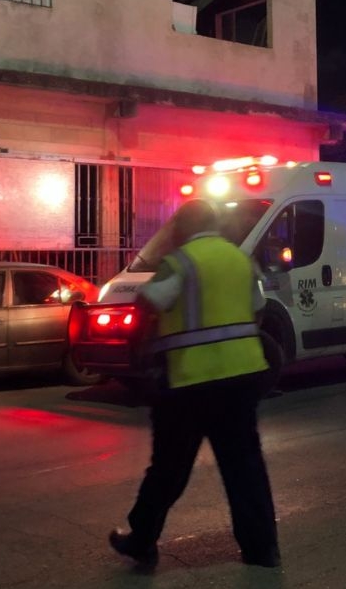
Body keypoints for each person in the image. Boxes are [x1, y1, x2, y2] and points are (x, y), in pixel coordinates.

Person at [108, 199, 280, 570]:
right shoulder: (239, 259)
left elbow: (148, 301)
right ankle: (262, 550)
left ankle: (142, 540)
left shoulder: (179, 261)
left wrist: (144, 350)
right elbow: (257, 308)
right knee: (245, 468)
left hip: (188, 383)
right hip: (240, 379)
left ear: (182, 228)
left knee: (169, 469)